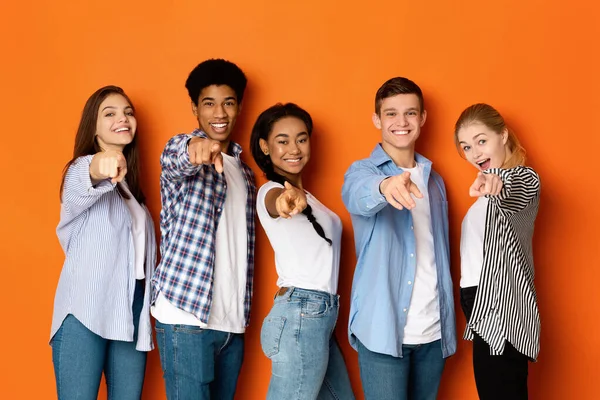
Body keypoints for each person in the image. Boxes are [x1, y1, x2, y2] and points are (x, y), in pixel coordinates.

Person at [341, 77, 456, 400]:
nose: (401, 122)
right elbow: (356, 194)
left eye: (410, 113)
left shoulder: (435, 183)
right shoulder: (363, 171)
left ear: (422, 118)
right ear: (377, 119)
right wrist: (385, 187)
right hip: (382, 331)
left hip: (433, 331)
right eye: (391, 114)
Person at [151, 59, 256, 400]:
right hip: (185, 317)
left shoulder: (245, 171)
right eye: (209, 103)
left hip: (230, 325)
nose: (219, 113)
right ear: (195, 108)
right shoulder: (180, 149)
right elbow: (176, 158)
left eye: (227, 102)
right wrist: (195, 149)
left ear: (239, 107)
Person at [50, 85, 156, 400]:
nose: (122, 118)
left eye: (128, 112)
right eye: (109, 113)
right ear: (92, 127)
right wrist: (104, 161)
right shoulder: (78, 173)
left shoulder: (132, 196)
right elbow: (91, 172)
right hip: (85, 308)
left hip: (131, 309)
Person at [250, 103, 355, 400]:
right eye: (282, 141)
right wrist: (286, 199)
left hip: (319, 317)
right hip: (301, 314)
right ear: (265, 147)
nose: (294, 148)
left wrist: (298, 196)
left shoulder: (311, 199)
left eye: (301, 138)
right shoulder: (269, 191)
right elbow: (277, 201)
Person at [455, 103, 540, 400]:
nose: (475, 153)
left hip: (500, 305)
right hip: (479, 305)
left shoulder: (523, 179)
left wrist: (498, 183)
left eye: (481, 140)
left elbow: (515, 188)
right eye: (466, 146)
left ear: (502, 135)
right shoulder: (482, 199)